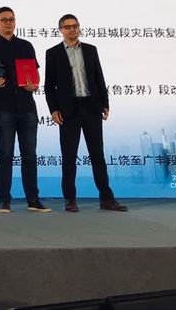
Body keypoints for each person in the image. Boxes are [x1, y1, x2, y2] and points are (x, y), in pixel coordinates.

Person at [45, 14, 128, 212]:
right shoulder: (53, 53)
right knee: (69, 157)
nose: (72, 30)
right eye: (67, 27)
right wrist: (53, 109)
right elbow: (49, 86)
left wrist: (105, 103)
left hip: (91, 108)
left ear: (79, 27)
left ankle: (106, 198)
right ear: (61, 30)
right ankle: (70, 199)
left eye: (75, 26)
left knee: (97, 155)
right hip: (68, 110)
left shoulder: (91, 50)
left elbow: (99, 77)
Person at [0, 7, 49, 213]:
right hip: (3, 106)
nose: (8, 23)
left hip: (27, 106)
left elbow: (35, 73)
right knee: (6, 154)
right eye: (4, 20)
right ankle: (4, 199)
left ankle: (33, 199)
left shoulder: (26, 45)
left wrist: (34, 85)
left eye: (11, 19)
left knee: (30, 154)